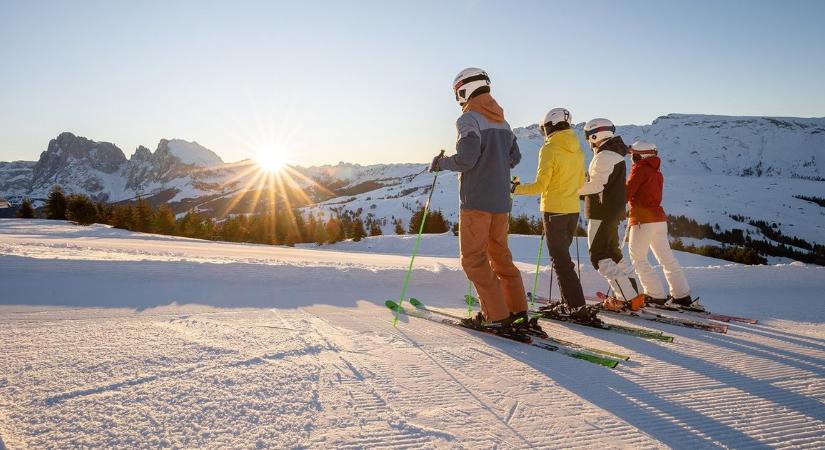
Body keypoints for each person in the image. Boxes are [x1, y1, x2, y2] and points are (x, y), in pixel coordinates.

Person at [429, 67, 539, 336]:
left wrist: (441, 163)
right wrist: (496, 164)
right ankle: (517, 311)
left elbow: (467, 159)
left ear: (464, 89)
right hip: (501, 202)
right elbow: (514, 157)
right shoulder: (503, 121)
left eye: (458, 93)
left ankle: (496, 316)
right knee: (501, 257)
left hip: (477, 201)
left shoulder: (469, 119)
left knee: (474, 260)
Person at [511, 108, 591, 321]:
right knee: (563, 260)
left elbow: (540, 185)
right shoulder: (578, 149)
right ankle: (571, 304)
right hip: (572, 211)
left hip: (554, 211)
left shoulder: (549, 149)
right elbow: (582, 183)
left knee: (561, 262)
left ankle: (576, 307)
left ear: (549, 126)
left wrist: (514, 189)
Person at [626, 140, 703, 310]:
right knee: (667, 259)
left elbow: (627, 192)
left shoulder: (639, 169)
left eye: (633, 155)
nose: (632, 158)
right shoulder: (656, 171)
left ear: (640, 155)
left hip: (642, 220)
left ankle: (655, 295)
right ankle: (682, 296)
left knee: (638, 258)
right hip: (659, 220)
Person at [579, 118, 645, 311]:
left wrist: (570, 189)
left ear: (595, 135)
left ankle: (626, 299)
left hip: (601, 213)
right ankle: (636, 295)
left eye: (587, 136)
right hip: (613, 212)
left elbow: (597, 186)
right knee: (614, 255)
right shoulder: (614, 154)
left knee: (599, 256)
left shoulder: (603, 156)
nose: (588, 141)